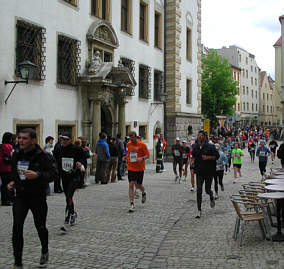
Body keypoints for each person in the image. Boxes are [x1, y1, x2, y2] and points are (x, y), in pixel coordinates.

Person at [7, 128, 56, 268]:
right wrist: (12, 182)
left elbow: (53, 174)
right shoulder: (16, 154)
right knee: (17, 227)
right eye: (20, 138)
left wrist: (38, 175)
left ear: (33, 140)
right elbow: (14, 172)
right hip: (21, 196)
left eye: (24, 138)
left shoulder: (43, 156)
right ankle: (18, 262)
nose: (20, 141)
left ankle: (45, 249)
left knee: (40, 226)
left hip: (37, 196)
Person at [58, 132, 85, 232]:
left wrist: (80, 163)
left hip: (74, 176)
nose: (63, 141)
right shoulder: (59, 149)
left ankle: (66, 220)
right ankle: (73, 213)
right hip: (64, 176)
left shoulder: (76, 149)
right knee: (67, 198)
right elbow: (57, 161)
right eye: (62, 139)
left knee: (69, 196)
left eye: (65, 139)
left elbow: (84, 157)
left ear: (70, 140)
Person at [192, 130, 219, 218]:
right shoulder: (195, 146)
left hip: (208, 171)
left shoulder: (210, 146)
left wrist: (208, 157)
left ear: (204, 137)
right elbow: (194, 156)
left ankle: (211, 196)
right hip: (199, 171)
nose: (199, 137)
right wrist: (192, 161)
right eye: (198, 135)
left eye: (201, 135)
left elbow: (217, 156)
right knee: (199, 190)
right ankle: (199, 210)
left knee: (207, 189)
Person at [123, 131, 149, 212]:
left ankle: (144, 192)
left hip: (140, 168)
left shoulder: (142, 145)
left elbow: (148, 155)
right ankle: (132, 204)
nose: (131, 139)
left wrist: (142, 158)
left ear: (136, 137)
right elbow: (128, 153)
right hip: (131, 167)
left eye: (132, 137)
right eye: (130, 137)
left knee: (138, 185)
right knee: (131, 184)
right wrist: (125, 157)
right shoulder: (128, 144)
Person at [0, 132, 14, 206]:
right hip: (7, 167)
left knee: (3, 185)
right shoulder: (8, 146)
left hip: (1, 167)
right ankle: (7, 200)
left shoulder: (1, 145)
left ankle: (4, 199)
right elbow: (12, 155)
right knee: (8, 184)